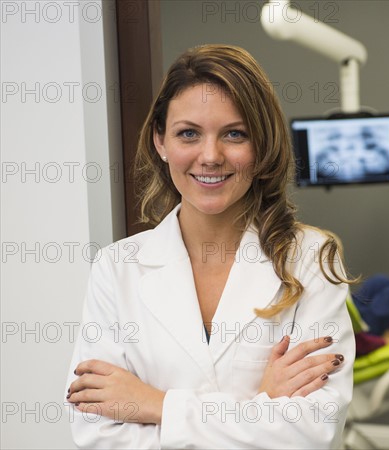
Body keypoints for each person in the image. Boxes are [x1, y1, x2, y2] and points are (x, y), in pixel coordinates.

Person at [65, 44, 356, 449]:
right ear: (160, 142)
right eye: (188, 133)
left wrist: (156, 405)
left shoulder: (311, 259)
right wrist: (262, 404)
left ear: (262, 145)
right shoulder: (117, 268)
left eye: (234, 134)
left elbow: (313, 431)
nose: (210, 156)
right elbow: (97, 434)